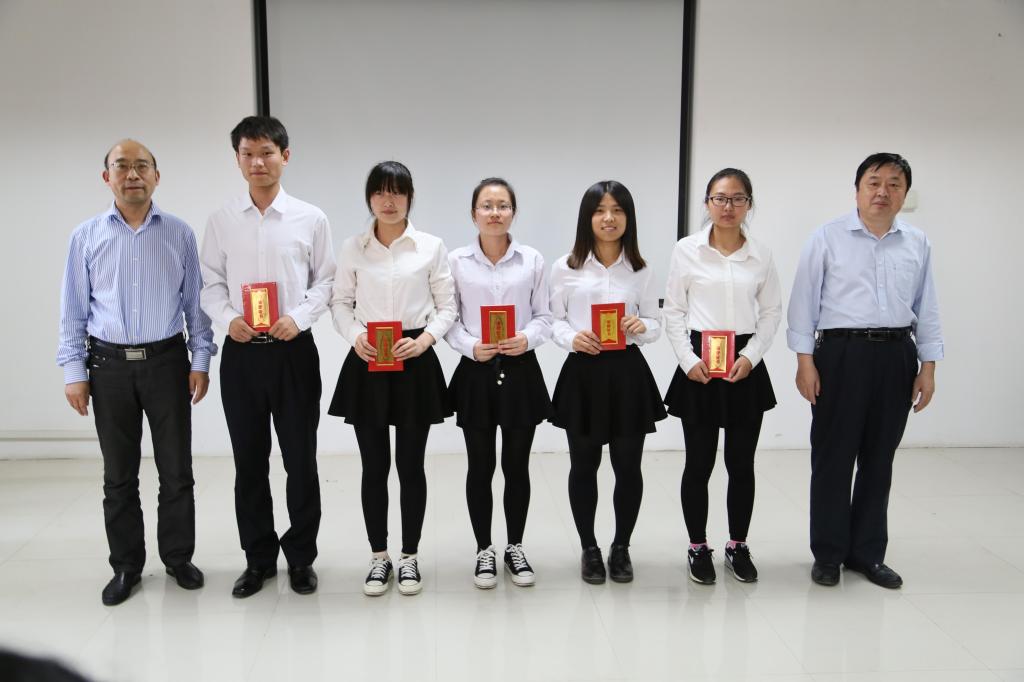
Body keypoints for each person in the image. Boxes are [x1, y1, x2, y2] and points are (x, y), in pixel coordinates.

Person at [57, 139, 215, 606]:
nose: (132, 174)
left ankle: (178, 558)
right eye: (121, 166)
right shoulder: (86, 236)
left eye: (142, 166)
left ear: (156, 177)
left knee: (176, 470)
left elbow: (195, 305)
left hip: (167, 363)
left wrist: (200, 361)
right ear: (106, 177)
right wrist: (74, 371)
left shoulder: (179, 234)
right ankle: (126, 566)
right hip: (107, 367)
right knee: (119, 476)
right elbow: (73, 310)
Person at [788, 153, 943, 589]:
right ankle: (829, 553)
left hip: (897, 356)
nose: (883, 192)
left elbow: (927, 308)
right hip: (841, 354)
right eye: (874, 183)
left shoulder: (917, 242)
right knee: (834, 457)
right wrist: (805, 363)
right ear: (857, 190)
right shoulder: (827, 237)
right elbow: (803, 306)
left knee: (879, 460)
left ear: (905, 194)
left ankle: (867, 554)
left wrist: (927, 367)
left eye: (894, 184)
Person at [200, 116, 336, 597]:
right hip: (242, 356)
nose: (257, 162)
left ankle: (301, 558)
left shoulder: (310, 218)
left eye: (266, 153)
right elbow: (211, 283)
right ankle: (258, 559)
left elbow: (327, 281)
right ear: (237, 159)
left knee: (300, 460)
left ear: (285, 156)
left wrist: (297, 317)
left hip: (293, 353)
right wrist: (228, 318)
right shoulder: (221, 220)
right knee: (249, 462)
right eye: (248, 154)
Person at [329, 161, 456, 596]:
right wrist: (355, 336)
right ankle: (379, 557)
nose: (388, 201)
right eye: (380, 192)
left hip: (413, 359)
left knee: (411, 465)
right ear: (369, 198)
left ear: (409, 198)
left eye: (397, 192)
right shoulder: (353, 248)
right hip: (368, 360)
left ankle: (410, 556)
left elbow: (447, 306)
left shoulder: (430, 247)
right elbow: (340, 303)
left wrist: (425, 341)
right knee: (374, 466)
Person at [663, 168, 781, 585]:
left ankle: (737, 545)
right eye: (720, 198)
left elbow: (771, 312)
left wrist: (751, 356)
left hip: (744, 365)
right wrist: (686, 360)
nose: (728, 207)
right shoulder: (687, 250)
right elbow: (674, 310)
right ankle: (698, 546)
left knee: (741, 463)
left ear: (749, 204)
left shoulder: (760, 254)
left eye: (737, 199)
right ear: (707, 203)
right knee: (699, 463)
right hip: (699, 365)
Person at [549, 180, 666, 584]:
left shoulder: (641, 269)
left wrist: (642, 326)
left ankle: (621, 547)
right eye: (600, 210)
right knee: (584, 466)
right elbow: (553, 321)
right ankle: (589, 548)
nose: (609, 218)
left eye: (617, 210)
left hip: (627, 374)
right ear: (587, 217)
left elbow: (655, 322)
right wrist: (572, 338)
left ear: (628, 218)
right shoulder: (565, 267)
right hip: (583, 372)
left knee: (628, 467)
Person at [445, 177, 553, 589]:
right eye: (487, 206)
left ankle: (515, 547)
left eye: (503, 205)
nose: (495, 213)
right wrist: (470, 346)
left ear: (513, 212)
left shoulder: (532, 260)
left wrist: (527, 338)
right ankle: (484, 549)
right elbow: (448, 317)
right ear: (473, 213)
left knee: (517, 466)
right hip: (476, 371)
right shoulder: (456, 261)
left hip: (521, 369)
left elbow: (545, 316)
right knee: (480, 466)